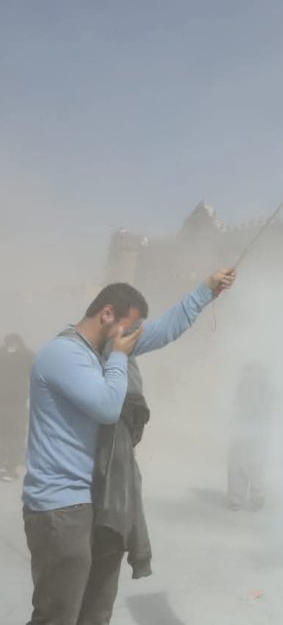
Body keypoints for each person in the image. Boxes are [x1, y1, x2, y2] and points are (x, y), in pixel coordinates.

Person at [22, 268, 236, 625]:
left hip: (102, 500)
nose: (133, 337)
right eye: (130, 326)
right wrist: (120, 357)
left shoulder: (104, 349)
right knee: (57, 615)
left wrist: (206, 290)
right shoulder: (62, 353)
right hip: (61, 508)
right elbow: (107, 408)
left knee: (95, 611)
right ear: (107, 314)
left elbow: (166, 329)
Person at [227, 361, 274, 511]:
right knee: (252, 464)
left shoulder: (250, 385)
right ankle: (255, 497)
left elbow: (240, 407)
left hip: (249, 430)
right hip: (255, 431)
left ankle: (239, 498)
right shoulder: (265, 387)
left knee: (240, 463)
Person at [0, 333, 33, 481]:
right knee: (13, 435)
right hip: (12, 403)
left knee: (11, 435)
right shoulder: (26, 355)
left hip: (14, 403)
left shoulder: (24, 356)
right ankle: (8, 466)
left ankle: (8, 466)